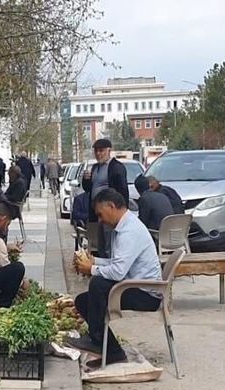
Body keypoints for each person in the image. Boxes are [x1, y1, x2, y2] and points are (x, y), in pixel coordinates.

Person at [70, 189, 163, 365]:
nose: (100, 220)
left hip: (146, 294)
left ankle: (96, 339)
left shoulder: (129, 232)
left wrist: (91, 269)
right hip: (132, 285)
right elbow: (118, 262)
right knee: (83, 301)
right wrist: (94, 261)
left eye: (100, 214)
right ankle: (112, 351)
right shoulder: (124, 227)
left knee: (98, 284)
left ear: (111, 206)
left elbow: (118, 272)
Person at [81, 138, 129, 257]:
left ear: (109, 151)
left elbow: (123, 191)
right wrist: (86, 180)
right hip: (97, 212)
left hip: (110, 211)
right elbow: (89, 189)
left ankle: (110, 266)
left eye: (101, 151)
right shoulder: (95, 167)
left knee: (110, 243)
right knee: (100, 243)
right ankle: (103, 266)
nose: (98, 154)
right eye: (96, 151)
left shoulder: (116, 167)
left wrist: (121, 212)